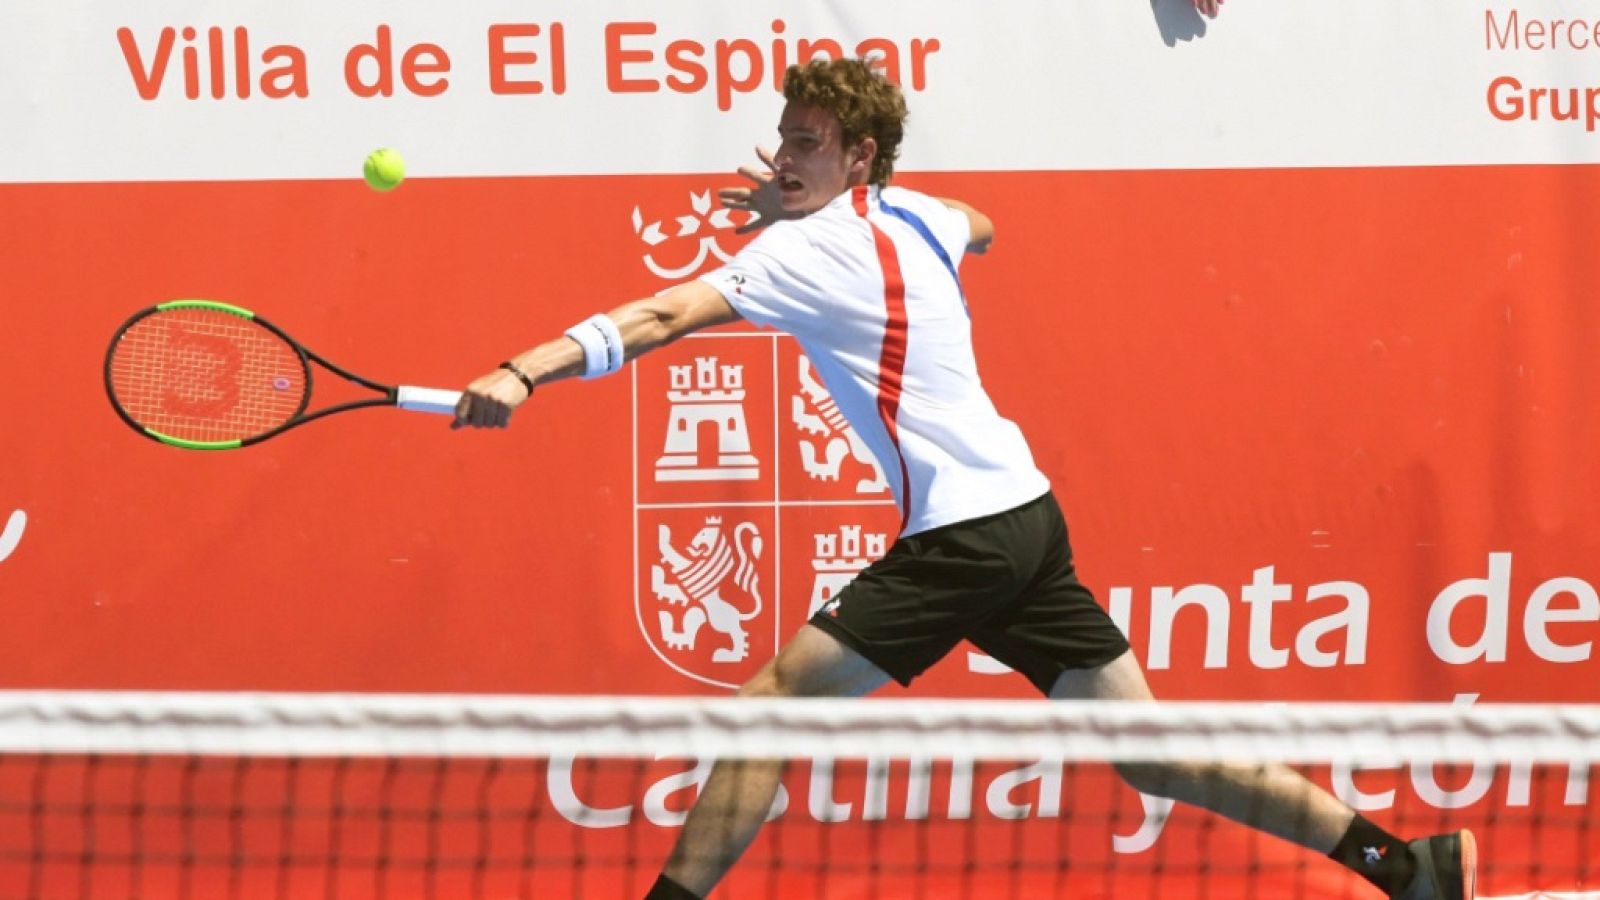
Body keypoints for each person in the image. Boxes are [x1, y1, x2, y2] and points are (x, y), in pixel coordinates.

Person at [452, 58, 1475, 900]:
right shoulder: (917, 216)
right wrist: (807, 203)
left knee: (769, 703)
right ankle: (1402, 866)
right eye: (783, 138)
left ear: (857, 155)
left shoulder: (809, 254)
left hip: (960, 537)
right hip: (1025, 520)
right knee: (1150, 754)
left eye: (806, 142)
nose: (783, 156)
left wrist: (522, 370)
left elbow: (664, 316)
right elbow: (980, 221)